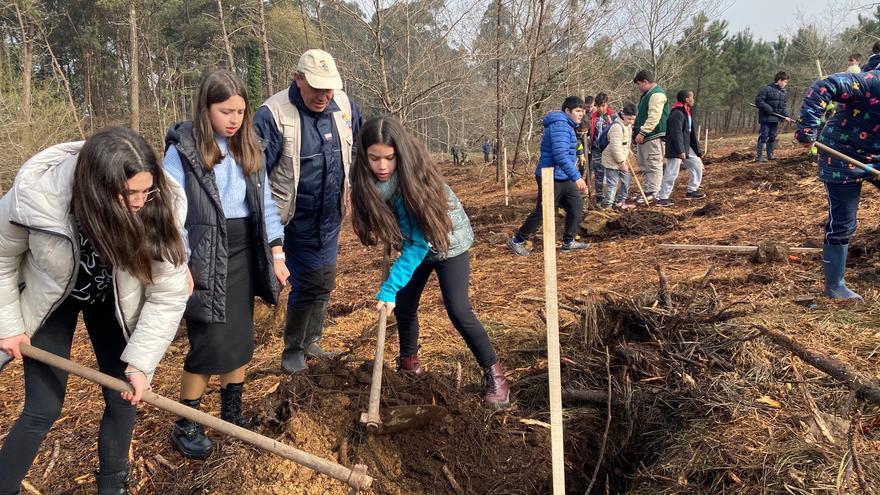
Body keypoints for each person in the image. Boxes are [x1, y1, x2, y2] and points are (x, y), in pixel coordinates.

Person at [0, 128, 189, 495]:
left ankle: (112, 487)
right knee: (43, 407)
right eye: (128, 193)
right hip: (51, 295)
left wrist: (141, 363)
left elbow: (168, 292)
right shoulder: (35, 195)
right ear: (96, 188)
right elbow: (1, 258)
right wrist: (8, 324)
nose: (139, 201)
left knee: (123, 397)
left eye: (144, 190)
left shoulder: (159, 203)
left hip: (114, 296)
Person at [163, 70, 288, 459]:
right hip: (203, 256)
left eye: (239, 111)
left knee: (238, 340)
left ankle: (231, 415)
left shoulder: (249, 146)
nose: (234, 119)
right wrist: (180, 262)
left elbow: (265, 203)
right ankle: (186, 424)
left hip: (244, 254)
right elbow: (170, 212)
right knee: (208, 344)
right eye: (225, 111)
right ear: (206, 109)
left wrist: (276, 252)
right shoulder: (182, 149)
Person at [350, 116, 510, 408]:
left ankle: (495, 375)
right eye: (375, 158)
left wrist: (388, 288)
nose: (382, 166)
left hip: (447, 240)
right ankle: (409, 365)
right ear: (364, 155)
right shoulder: (367, 178)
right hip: (415, 241)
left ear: (401, 155)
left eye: (389, 158)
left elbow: (418, 244)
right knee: (406, 306)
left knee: (458, 309)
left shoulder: (413, 181)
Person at [253, 49, 362, 374]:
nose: (323, 96)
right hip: (291, 220)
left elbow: (359, 142)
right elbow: (257, 175)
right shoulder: (272, 115)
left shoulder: (343, 105)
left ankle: (312, 339)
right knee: (310, 282)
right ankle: (292, 350)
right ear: (297, 79)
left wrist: (356, 189)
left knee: (325, 282)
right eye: (316, 88)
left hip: (329, 219)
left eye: (328, 88)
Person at [795, 71, 880, 301]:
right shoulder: (871, 82)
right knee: (844, 221)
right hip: (841, 157)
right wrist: (808, 128)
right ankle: (835, 286)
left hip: (875, 155)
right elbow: (824, 86)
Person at [507, 96, 589, 256]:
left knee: (576, 205)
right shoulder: (561, 126)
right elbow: (561, 156)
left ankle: (568, 242)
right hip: (550, 176)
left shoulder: (567, 126)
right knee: (543, 211)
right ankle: (517, 240)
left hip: (562, 175)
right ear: (567, 111)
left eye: (583, 111)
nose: (581, 114)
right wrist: (577, 177)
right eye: (578, 111)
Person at [656, 90, 706, 206]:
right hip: (676, 147)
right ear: (687, 100)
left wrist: (695, 149)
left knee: (696, 164)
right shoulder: (677, 113)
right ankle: (663, 198)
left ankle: (692, 191)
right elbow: (676, 133)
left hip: (686, 145)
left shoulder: (687, 111)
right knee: (672, 172)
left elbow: (689, 132)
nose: (693, 99)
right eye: (692, 97)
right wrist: (681, 150)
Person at [632, 69, 670, 204]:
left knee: (653, 164)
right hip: (646, 137)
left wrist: (643, 132)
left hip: (653, 136)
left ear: (645, 82)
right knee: (645, 164)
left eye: (639, 84)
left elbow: (654, 116)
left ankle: (654, 192)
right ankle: (647, 191)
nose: (638, 88)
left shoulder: (656, 95)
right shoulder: (647, 95)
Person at [601, 104, 637, 210]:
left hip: (622, 158)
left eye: (633, 119)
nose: (631, 121)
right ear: (623, 115)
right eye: (629, 118)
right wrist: (621, 162)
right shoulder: (617, 127)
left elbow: (626, 144)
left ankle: (620, 201)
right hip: (612, 160)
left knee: (626, 179)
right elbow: (615, 147)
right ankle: (607, 205)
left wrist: (628, 156)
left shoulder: (628, 126)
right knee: (613, 183)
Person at [754, 71, 790, 162]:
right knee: (764, 135)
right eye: (785, 82)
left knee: (772, 136)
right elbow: (759, 101)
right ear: (779, 80)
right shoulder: (766, 89)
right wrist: (768, 108)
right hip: (765, 118)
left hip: (775, 119)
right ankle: (760, 157)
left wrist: (786, 116)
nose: (785, 84)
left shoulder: (783, 93)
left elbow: (783, 107)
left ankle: (770, 155)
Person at [589, 93, 613, 204]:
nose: (601, 108)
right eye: (598, 106)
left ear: (607, 104)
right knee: (598, 174)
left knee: (609, 174)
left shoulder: (613, 116)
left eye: (603, 105)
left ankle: (609, 197)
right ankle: (599, 198)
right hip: (596, 149)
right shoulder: (592, 117)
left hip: (608, 150)